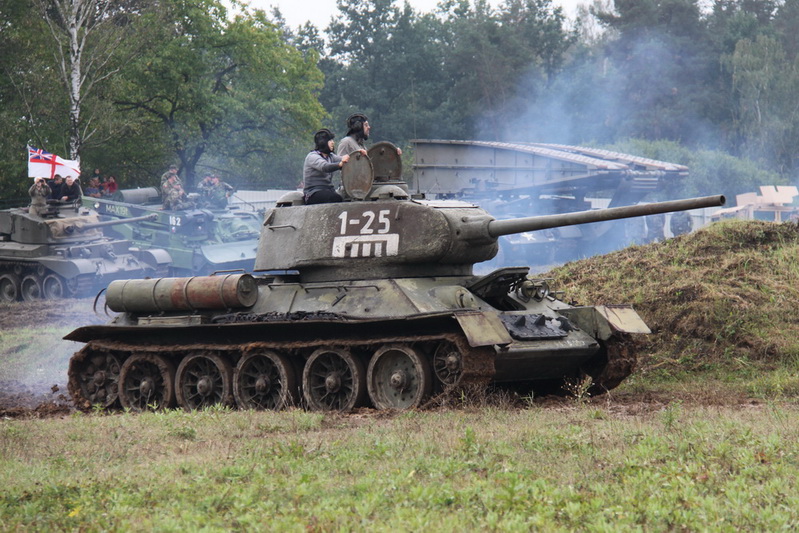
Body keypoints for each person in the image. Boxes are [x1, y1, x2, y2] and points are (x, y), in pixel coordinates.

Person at [303, 129, 357, 205]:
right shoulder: (312, 156)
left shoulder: (330, 156)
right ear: (323, 142)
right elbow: (325, 167)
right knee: (334, 198)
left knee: (344, 198)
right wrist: (340, 164)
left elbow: (344, 158)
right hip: (313, 193)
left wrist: (358, 154)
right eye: (330, 140)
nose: (333, 142)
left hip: (328, 190)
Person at [336, 112, 402, 158]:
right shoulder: (346, 142)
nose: (369, 127)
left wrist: (392, 152)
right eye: (366, 125)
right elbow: (339, 162)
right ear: (358, 126)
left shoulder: (361, 145)